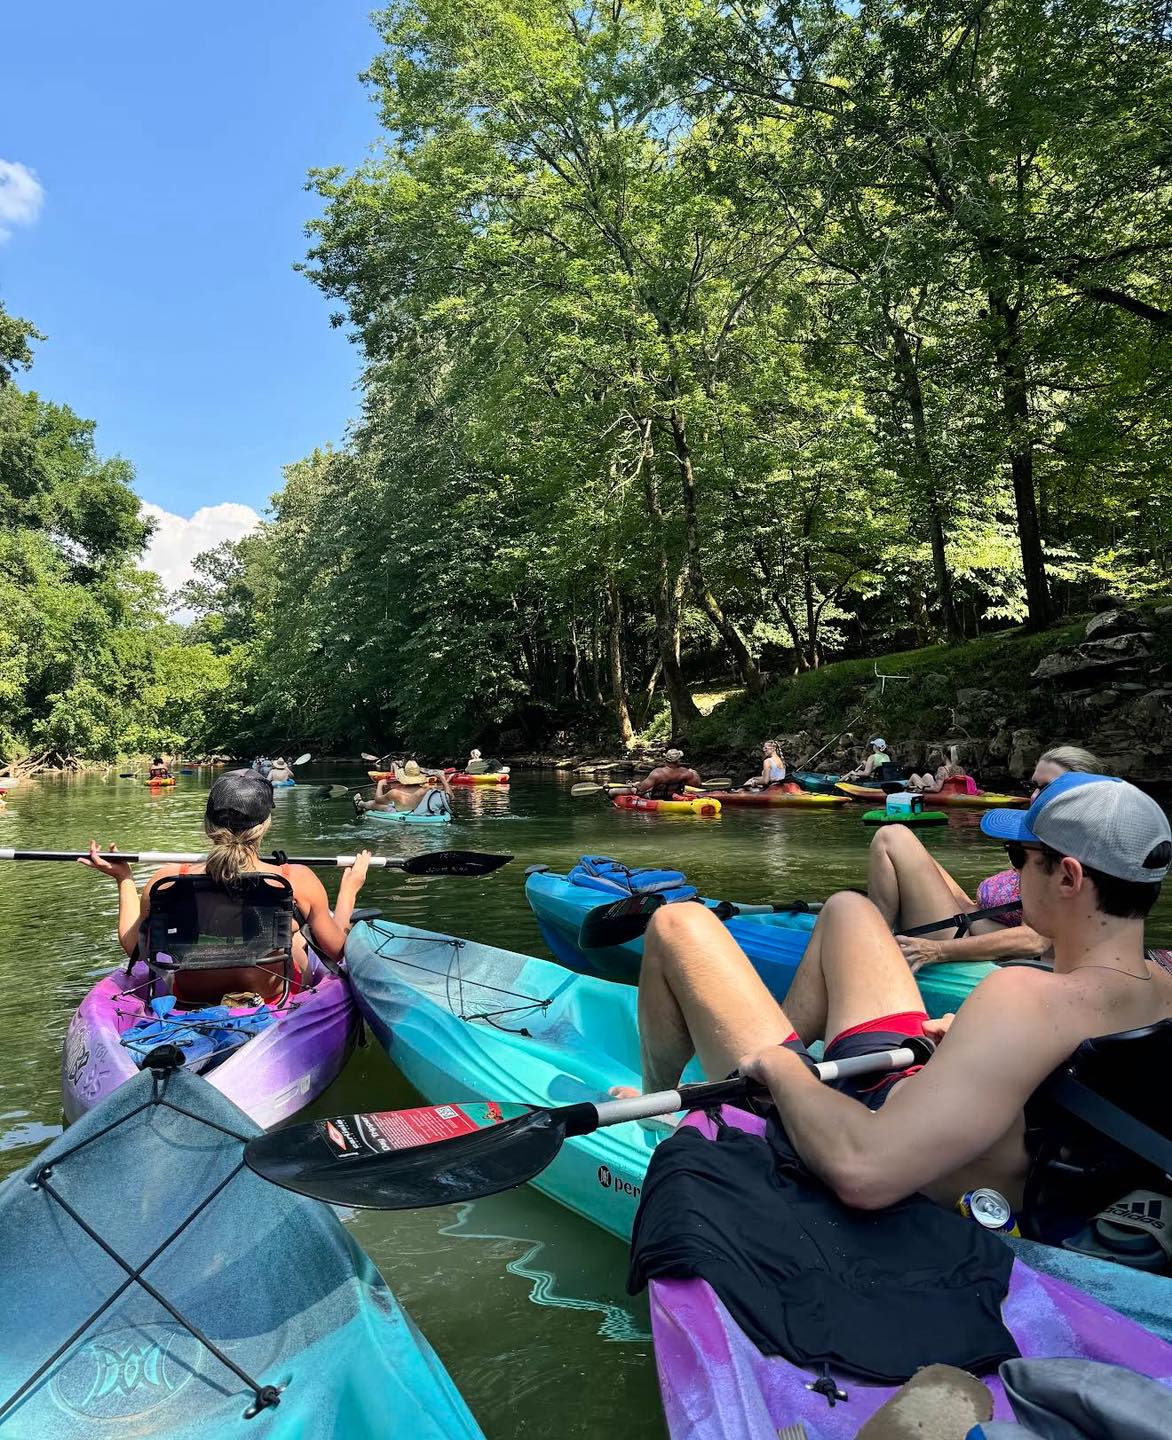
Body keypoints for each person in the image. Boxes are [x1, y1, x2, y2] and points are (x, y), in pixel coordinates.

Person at [618, 772, 1171, 1214]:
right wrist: (983, 1049)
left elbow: (865, 1174)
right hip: (923, 1102)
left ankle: (675, 1110)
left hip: (864, 1140)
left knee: (677, 924)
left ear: (1069, 878)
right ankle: (750, 1081)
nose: (1014, 874)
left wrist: (780, 1069)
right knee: (849, 909)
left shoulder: (1026, 998)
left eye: (1018, 860)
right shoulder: (1161, 988)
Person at [79, 768, 371, 1002]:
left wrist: (124, 878)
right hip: (272, 996)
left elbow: (135, 948)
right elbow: (338, 952)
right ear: (265, 823)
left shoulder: (167, 879)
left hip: (190, 997)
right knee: (296, 938)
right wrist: (350, 890)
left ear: (208, 823)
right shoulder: (296, 879)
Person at [870, 745, 1101, 970]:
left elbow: (1034, 940)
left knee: (891, 837)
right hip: (967, 920)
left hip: (959, 941)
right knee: (912, 851)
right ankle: (878, 934)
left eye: (1044, 787)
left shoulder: (1067, 856)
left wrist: (935, 950)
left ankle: (873, 949)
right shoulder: (1044, 842)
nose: (1033, 796)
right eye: (1034, 786)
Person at [355, 760, 453, 817]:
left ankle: (360, 803)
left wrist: (380, 784)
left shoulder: (394, 792)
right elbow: (449, 797)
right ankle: (360, 804)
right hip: (417, 812)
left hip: (399, 812)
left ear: (404, 777)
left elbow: (378, 800)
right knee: (386, 805)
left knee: (376, 804)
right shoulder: (427, 790)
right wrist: (443, 779)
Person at [634, 749, 703, 801]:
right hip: (674, 798)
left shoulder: (657, 773)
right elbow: (697, 784)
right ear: (678, 760)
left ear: (666, 760)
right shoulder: (685, 772)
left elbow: (641, 789)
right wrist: (694, 773)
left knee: (633, 790)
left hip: (657, 799)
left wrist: (636, 785)